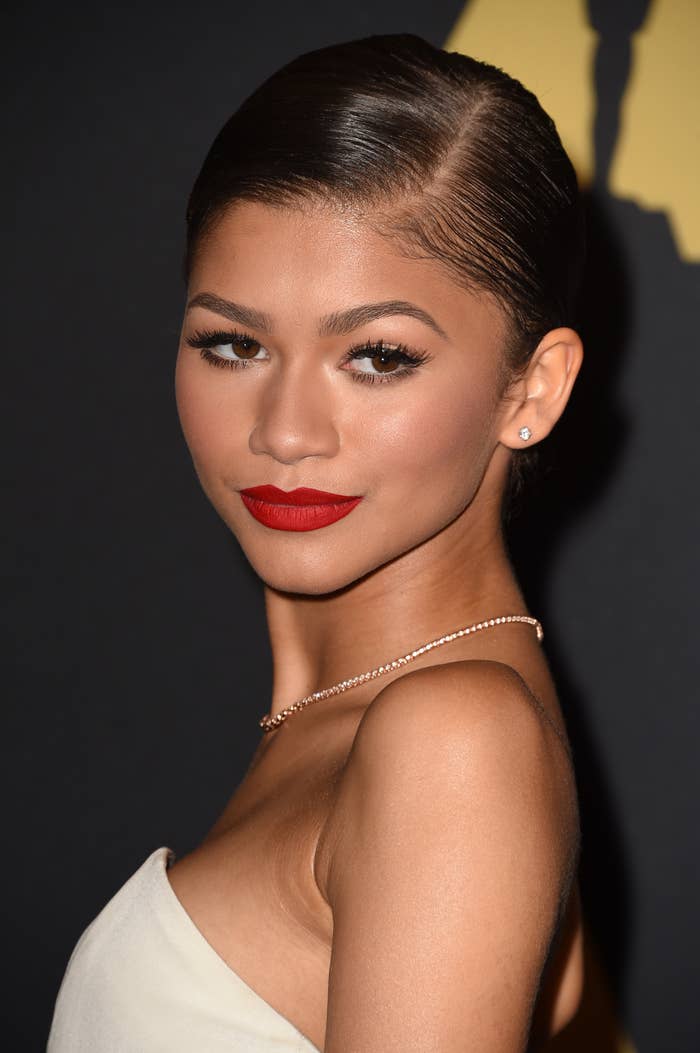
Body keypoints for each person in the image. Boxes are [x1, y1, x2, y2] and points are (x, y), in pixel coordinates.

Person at [48, 32, 586, 1052]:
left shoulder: (452, 741)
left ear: (532, 390)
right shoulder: (381, 723)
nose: (285, 431)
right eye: (233, 344)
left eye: (378, 356)